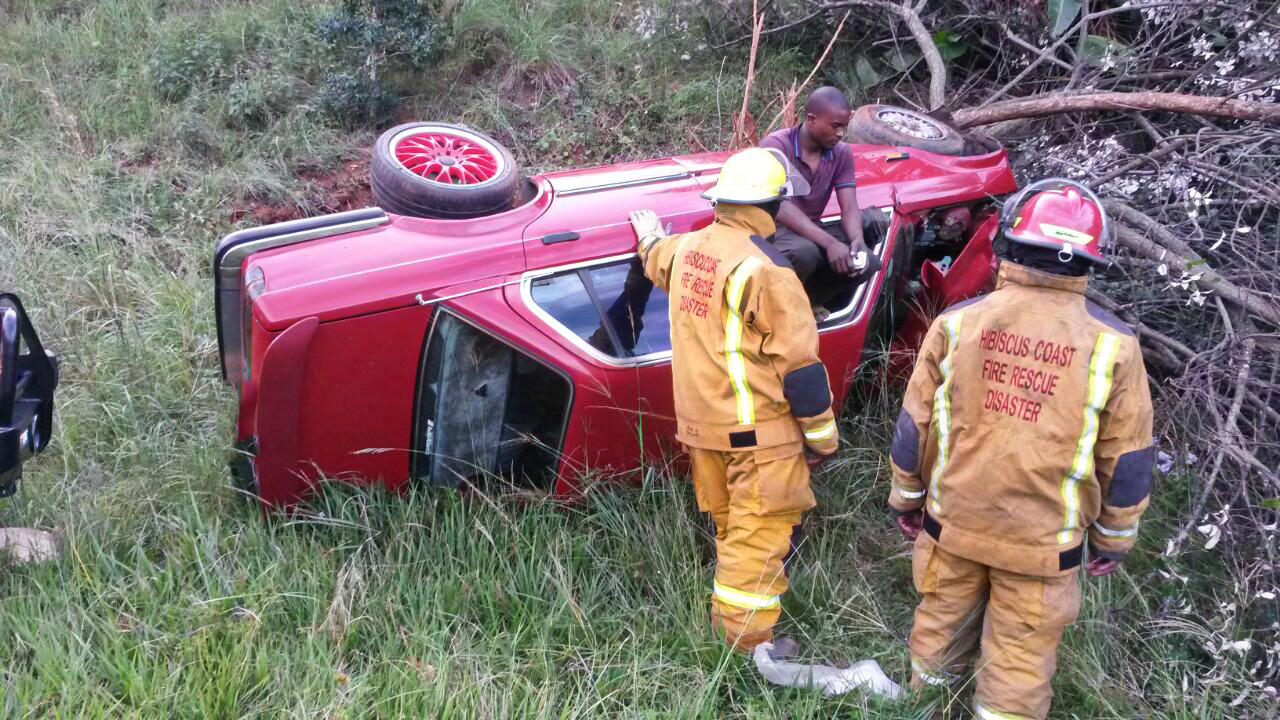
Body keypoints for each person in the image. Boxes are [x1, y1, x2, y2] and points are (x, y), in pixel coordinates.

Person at [887, 179, 1156, 719]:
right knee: (1019, 668)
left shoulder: (958, 323)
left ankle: (926, 708)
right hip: (1044, 548)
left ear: (1009, 244)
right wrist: (1114, 539)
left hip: (952, 525)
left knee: (938, 638)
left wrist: (906, 500)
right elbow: (1127, 460)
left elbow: (913, 428)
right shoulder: (1115, 348)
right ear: (1089, 262)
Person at [629, 147, 840, 651]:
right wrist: (823, 439)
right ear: (772, 207)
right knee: (757, 537)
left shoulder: (687, 249)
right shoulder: (768, 270)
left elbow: (656, 257)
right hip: (759, 436)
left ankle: (732, 625)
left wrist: (648, 235)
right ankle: (745, 648)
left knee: (732, 529)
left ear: (721, 201)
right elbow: (802, 370)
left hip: (702, 431)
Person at [760, 86, 878, 316]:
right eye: (835, 126)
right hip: (774, 228)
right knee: (806, 253)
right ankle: (779, 311)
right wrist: (830, 243)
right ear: (812, 120)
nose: (841, 133)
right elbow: (780, 207)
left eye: (844, 126)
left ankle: (811, 300)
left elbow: (849, 206)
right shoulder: (776, 146)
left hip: (810, 228)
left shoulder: (841, 153)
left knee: (866, 262)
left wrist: (856, 239)